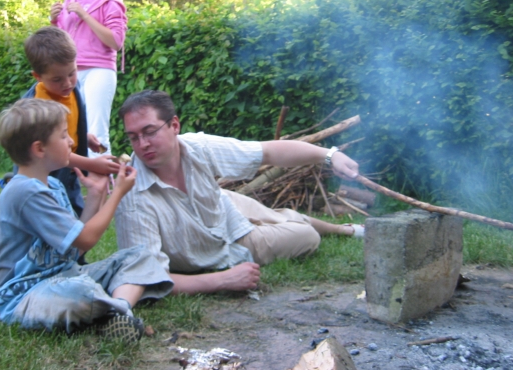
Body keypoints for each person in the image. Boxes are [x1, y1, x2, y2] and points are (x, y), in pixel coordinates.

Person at [114, 90, 364, 295]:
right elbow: (150, 277)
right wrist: (222, 280)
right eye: (133, 137)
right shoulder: (131, 196)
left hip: (223, 204)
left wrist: (330, 155)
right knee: (307, 236)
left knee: (272, 213)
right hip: (228, 243)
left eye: (150, 132)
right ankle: (318, 227)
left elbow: (267, 152)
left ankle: (344, 230)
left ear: (174, 125)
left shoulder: (198, 147)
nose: (142, 144)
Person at [0, 98, 173, 340]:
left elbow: (74, 247)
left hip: (66, 275)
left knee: (140, 256)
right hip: (24, 296)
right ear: (39, 149)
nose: (71, 141)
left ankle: (117, 312)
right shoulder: (24, 192)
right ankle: (116, 306)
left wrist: (96, 195)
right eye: (63, 135)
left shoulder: (52, 185)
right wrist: (117, 193)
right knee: (81, 291)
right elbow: (86, 239)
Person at [22, 26, 120, 219]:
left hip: (69, 172)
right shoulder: (40, 106)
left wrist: (83, 137)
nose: (67, 83)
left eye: (72, 73)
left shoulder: (72, 90)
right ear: (38, 76)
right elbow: (51, 151)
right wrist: (92, 164)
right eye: (57, 79)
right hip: (44, 177)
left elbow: (67, 126)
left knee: (74, 214)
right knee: (52, 219)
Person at [50, 0, 127, 158]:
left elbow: (116, 41)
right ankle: (73, 176)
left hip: (99, 70)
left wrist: (85, 15)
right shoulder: (70, 1)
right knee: (68, 128)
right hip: (72, 72)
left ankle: (103, 177)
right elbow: (62, 42)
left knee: (96, 131)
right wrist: (54, 21)